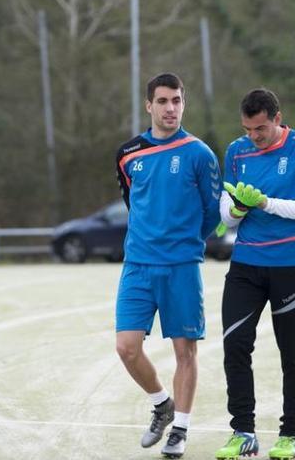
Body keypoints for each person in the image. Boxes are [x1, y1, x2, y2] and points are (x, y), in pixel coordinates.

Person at [213, 88, 295, 460]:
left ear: (277, 118)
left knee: (293, 352)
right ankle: (242, 432)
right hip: (246, 264)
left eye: (261, 128)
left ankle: (292, 434)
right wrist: (237, 210)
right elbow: (225, 214)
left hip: (292, 265)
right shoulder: (237, 151)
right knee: (235, 345)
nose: (254, 136)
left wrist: (266, 203)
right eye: (248, 129)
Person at [114, 72, 221, 458]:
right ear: (149, 106)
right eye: (163, 101)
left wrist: (185, 241)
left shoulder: (199, 153)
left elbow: (212, 213)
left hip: (181, 266)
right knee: (126, 347)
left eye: (177, 100)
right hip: (138, 266)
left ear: (183, 103)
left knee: (184, 352)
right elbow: (133, 201)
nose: (171, 108)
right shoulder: (128, 154)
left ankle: (181, 429)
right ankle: (162, 404)